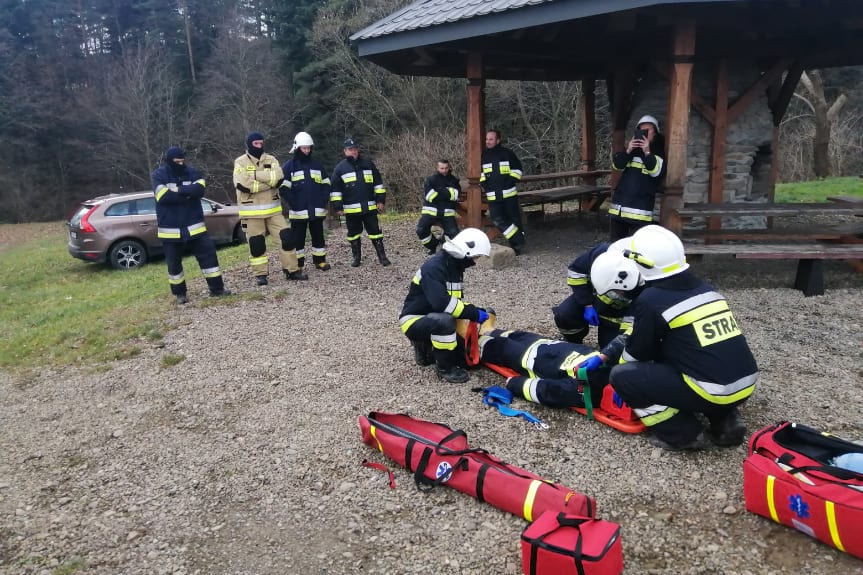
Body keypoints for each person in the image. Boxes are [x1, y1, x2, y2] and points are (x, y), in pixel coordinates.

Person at [598, 225, 759, 451]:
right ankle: (726, 420)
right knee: (700, 361)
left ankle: (683, 434)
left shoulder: (651, 300)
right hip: (745, 383)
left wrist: (612, 370)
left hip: (712, 390)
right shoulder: (705, 289)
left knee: (624, 377)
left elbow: (637, 355)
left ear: (642, 263)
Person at [399, 228, 492, 383]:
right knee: (444, 322)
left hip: (433, 316)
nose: (475, 261)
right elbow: (442, 303)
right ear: (466, 252)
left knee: (465, 360)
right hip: (413, 320)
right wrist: (472, 313)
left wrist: (474, 310)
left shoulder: (453, 267)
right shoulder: (434, 267)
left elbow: (454, 302)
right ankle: (445, 368)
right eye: (476, 256)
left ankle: (425, 348)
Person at [151, 146, 231, 304]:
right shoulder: (159, 175)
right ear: (169, 161)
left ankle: (217, 289)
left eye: (182, 160)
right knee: (174, 264)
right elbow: (163, 197)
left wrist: (177, 190)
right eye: (176, 161)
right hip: (170, 229)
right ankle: (180, 294)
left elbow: (199, 191)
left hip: (195, 226)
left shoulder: (193, 172)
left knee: (209, 258)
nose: (180, 163)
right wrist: (187, 194)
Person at [233, 131, 307, 286]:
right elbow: (243, 185)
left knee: (287, 239)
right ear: (249, 144)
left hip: (274, 211)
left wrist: (254, 175)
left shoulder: (271, 159)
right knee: (257, 244)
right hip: (251, 212)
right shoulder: (240, 162)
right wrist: (267, 180)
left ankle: (292, 270)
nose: (259, 146)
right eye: (256, 144)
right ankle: (260, 275)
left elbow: (278, 178)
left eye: (261, 143)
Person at [552, 238, 643, 347]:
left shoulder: (647, 278)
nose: (618, 293)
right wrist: (587, 304)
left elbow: (636, 315)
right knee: (565, 315)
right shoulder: (602, 253)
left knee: (613, 350)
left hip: (620, 314)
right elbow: (576, 272)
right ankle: (573, 342)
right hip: (593, 298)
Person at [330, 138, 391, 267]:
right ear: (345, 151)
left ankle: (382, 257)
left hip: (369, 208)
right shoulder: (340, 168)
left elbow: (378, 183)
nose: (354, 152)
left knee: (376, 232)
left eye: (355, 149)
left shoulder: (368, 164)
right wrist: (338, 207)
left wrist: (380, 200)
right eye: (351, 149)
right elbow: (335, 190)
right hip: (351, 210)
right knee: (353, 235)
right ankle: (356, 258)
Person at [280, 131, 332, 272]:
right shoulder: (289, 167)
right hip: (298, 212)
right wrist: (293, 202)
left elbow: (326, 184)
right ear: (297, 148)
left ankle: (320, 261)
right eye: (304, 148)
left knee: (318, 237)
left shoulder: (317, 165)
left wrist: (324, 199)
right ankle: (299, 264)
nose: (307, 151)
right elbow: (283, 189)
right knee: (298, 239)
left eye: (309, 148)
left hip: (317, 209)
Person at [608, 115, 666, 241]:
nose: (644, 134)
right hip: (619, 210)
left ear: (655, 134)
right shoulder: (629, 151)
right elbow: (617, 165)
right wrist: (628, 150)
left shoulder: (658, 153)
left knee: (638, 249)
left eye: (648, 130)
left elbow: (656, 172)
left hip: (641, 212)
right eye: (641, 130)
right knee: (615, 247)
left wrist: (647, 152)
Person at [481, 129, 525, 253]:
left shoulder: (508, 153)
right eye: (486, 139)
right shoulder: (484, 155)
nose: (488, 141)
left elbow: (518, 170)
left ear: (498, 140)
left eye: (491, 139)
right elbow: (482, 174)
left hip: (509, 194)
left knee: (514, 219)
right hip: (493, 196)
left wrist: (509, 181)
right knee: (497, 219)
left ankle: (516, 247)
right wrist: (485, 185)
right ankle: (519, 239)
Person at [416, 159, 461, 255]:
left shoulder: (454, 180)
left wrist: (438, 191)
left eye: (446, 168)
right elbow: (430, 196)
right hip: (430, 211)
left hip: (447, 212)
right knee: (420, 229)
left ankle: (444, 243)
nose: (444, 170)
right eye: (442, 168)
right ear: (437, 168)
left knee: (454, 234)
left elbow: (455, 195)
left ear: (449, 168)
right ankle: (433, 245)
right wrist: (447, 192)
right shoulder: (430, 179)